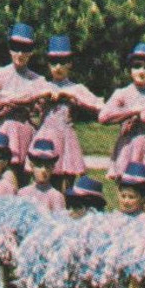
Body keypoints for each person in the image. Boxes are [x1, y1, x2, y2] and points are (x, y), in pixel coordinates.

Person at [33, 35, 103, 190]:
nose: (58, 67)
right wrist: (40, 98)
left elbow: (99, 106)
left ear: (70, 63)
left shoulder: (75, 88)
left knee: (65, 186)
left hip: (66, 139)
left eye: (62, 62)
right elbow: (26, 102)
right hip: (45, 137)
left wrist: (72, 98)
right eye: (53, 62)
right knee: (42, 184)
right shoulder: (42, 85)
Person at [99, 42, 145, 184]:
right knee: (126, 194)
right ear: (130, 69)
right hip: (128, 145)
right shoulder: (122, 94)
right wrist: (133, 110)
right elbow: (103, 117)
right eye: (137, 66)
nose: (142, 71)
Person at [0, 22, 46, 170]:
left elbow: (45, 107)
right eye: (16, 48)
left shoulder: (37, 80)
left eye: (25, 49)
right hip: (3, 130)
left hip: (27, 131)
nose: (20, 54)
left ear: (31, 51)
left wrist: (34, 105)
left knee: (24, 178)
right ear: (10, 48)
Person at [18, 139, 67, 214]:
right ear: (32, 166)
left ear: (53, 168)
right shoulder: (23, 193)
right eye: (39, 165)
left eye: (47, 166)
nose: (43, 170)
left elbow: (59, 223)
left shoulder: (56, 196)